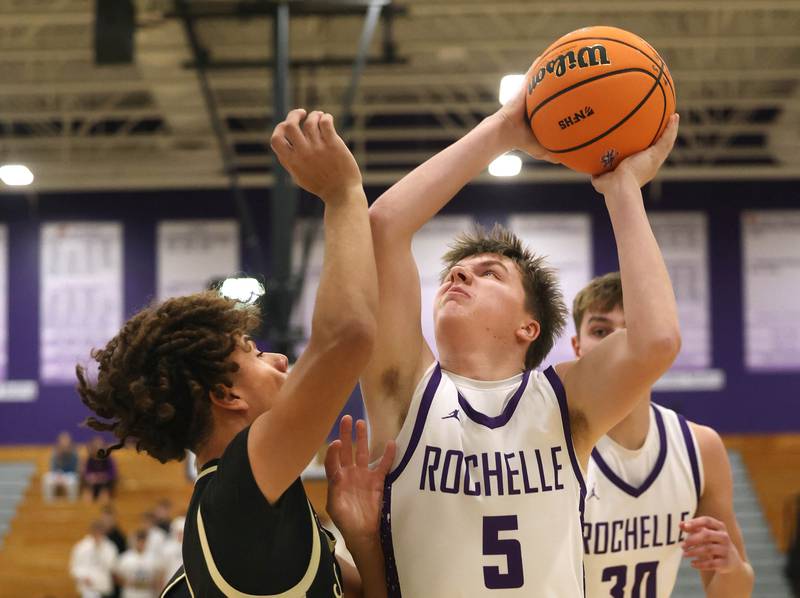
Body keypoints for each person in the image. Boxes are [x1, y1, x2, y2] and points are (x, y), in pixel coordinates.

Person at [361, 63, 682, 596]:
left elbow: (657, 341)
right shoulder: (405, 390)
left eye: (491, 274)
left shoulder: (565, 402)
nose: (460, 274)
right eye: (454, 273)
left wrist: (623, 191)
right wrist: (506, 127)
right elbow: (383, 226)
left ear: (529, 327)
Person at [78, 109, 389, 597]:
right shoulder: (237, 497)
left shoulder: (254, 510)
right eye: (255, 352)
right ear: (226, 394)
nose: (281, 360)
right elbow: (347, 335)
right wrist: (343, 193)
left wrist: (361, 538)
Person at [572, 272, 754, 597]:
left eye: (634, 329)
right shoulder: (555, 446)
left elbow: (734, 590)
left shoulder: (700, 448)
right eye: (601, 331)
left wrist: (729, 566)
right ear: (577, 347)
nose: (620, 341)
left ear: (659, 341)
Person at [69, 519, 118, 598]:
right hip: (88, 588)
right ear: (91, 531)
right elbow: (74, 567)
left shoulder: (110, 547)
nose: (98, 534)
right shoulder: (81, 546)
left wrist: (99, 549)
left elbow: (112, 566)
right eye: (96, 532)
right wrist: (83, 577)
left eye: (100, 532)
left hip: (103, 587)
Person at [115, 529, 160, 598]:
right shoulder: (126, 557)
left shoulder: (153, 558)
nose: (140, 543)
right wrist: (127, 583)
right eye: (139, 541)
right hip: (130, 594)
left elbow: (159, 575)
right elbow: (116, 575)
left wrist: (153, 583)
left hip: (148, 594)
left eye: (143, 541)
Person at [41, 431, 80, 502]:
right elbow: (53, 467)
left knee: (73, 481)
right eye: (62, 441)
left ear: (69, 442)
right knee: (46, 478)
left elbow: (74, 468)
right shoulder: (55, 452)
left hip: (69, 475)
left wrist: (64, 477)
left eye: (66, 441)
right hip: (58, 475)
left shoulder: (74, 453)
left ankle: (72, 502)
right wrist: (59, 475)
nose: (64, 443)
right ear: (59, 441)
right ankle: (48, 502)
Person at [82, 437, 118, 502]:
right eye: (96, 446)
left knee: (104, 493)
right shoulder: (90, 459)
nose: (98, 448)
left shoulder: (108, 459)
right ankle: (89, 508)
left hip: (105, 482)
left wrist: (104, 476)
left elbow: (113, 472)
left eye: (99, 445)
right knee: (87, 493)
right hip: (93, 483)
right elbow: (86, 472)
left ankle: (104, 505)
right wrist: (91, 477)